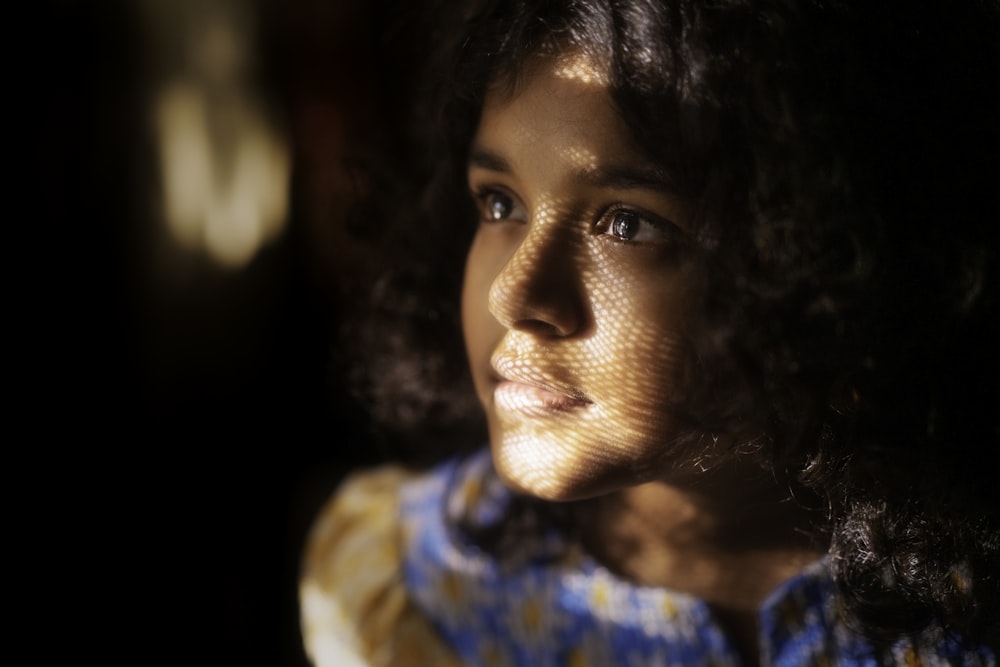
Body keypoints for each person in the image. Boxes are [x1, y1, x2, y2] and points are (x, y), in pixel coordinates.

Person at [300, 0, 1000, 664]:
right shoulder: (402, 595)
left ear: (829, 261)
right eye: (500, 201)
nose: (512, 292)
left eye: (626, 223)